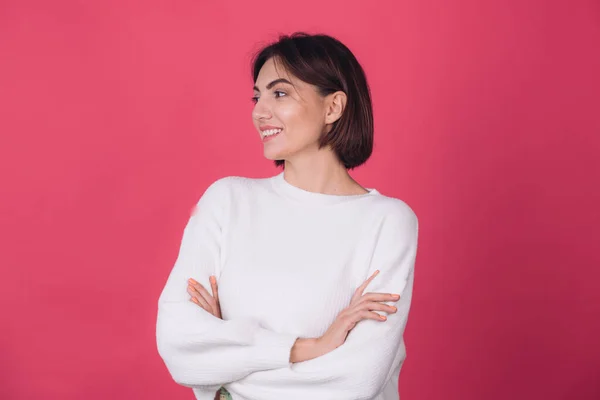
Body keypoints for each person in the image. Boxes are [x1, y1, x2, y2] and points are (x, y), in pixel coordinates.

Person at [156, 32, 419, 400]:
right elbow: (178, 345)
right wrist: (310, 347)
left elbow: (355, 381)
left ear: (333, 107)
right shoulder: (227, 200)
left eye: (279, 93)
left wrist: (225, 375)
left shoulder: (387, 221)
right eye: (257, 95)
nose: (259, 111)